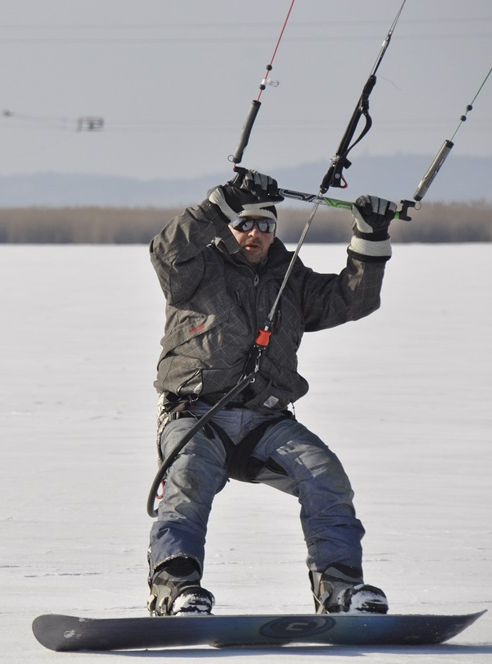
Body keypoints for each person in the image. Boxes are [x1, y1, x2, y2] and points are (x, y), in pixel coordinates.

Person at [146, 169, 397, 616]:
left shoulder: (291, 278)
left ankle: (339, 590)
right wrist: (218, 203)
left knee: (325, 475)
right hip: (197, 416)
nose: (254, 234)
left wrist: (369, 238)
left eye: (265, 225)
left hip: (267, 422)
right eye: (243, 223)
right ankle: (175, 588)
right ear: (227, 226)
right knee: (188, 477)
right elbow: (166, 251)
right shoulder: (196, 269)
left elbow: (353, 298)